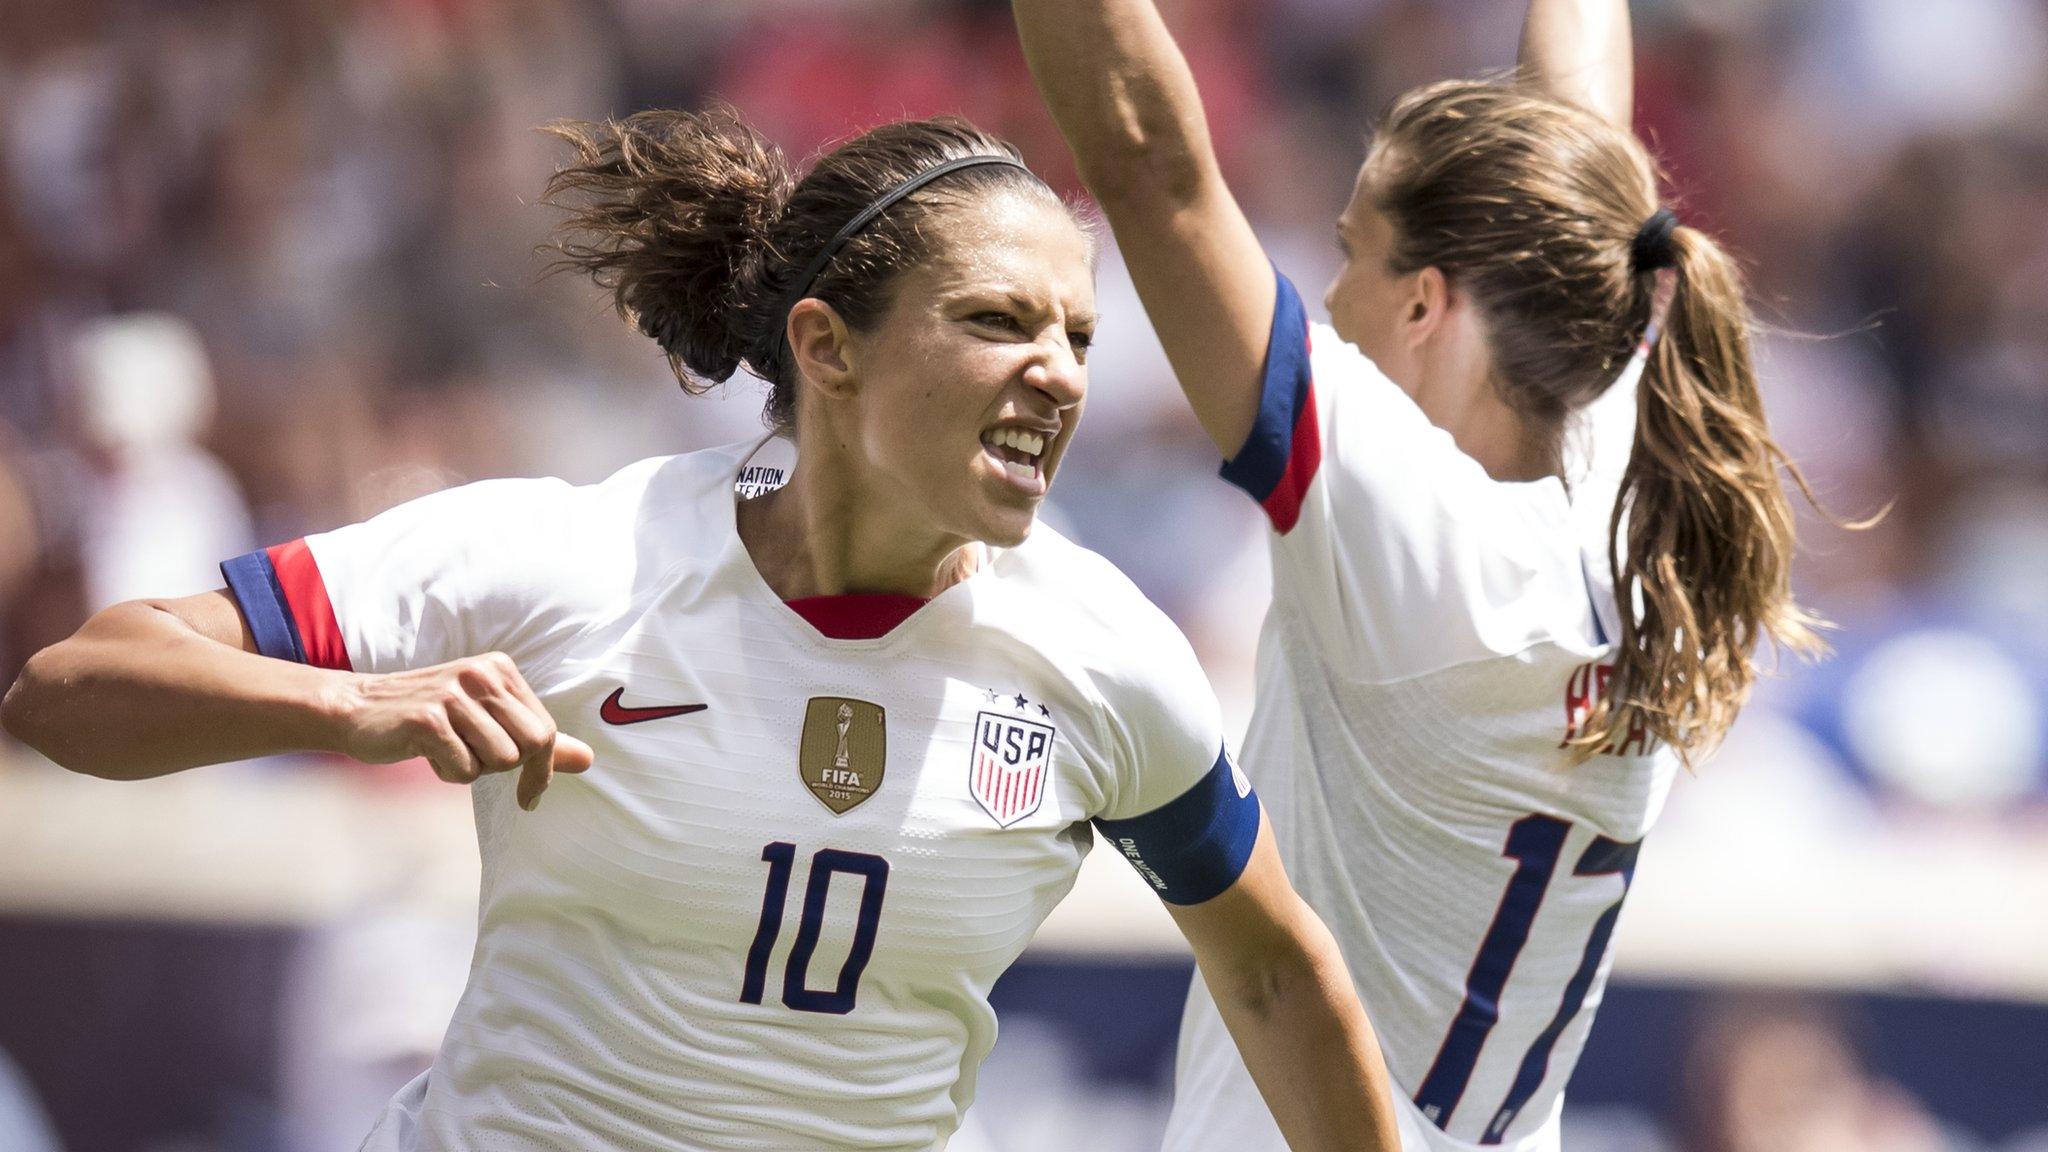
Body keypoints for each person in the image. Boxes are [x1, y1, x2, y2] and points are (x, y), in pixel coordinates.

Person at [0, 109, 1401, 1152]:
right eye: (997, 320)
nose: (1058, 372)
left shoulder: (1104, 655)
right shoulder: (569, 556)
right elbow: (69, 689)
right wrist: (346, 712)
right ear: (826, 348)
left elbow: (1274, 967)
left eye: (1081, 338)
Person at [1012, 1, 1834, 1150]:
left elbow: (1151, 167)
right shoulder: (1616, 472)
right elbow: (1579, 143)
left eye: (1350, 250)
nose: (1327, 296)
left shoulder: (1416, 540)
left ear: (1421, 302)